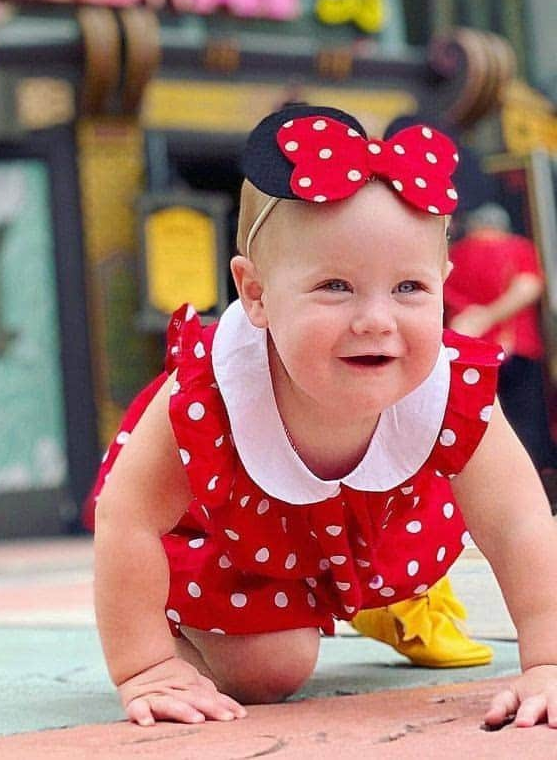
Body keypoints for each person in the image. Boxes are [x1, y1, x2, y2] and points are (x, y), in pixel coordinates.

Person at [91, 105, 557, 729]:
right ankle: (196, 633)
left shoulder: (448, 385)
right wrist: (143, 664)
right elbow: (130, 517)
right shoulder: (217, 389)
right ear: (255, 295)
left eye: (410, 288)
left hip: (368, 517)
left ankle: (369, 594)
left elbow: (520, 521)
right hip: (230, 535)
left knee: (440, 524)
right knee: (270, 670)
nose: (375, 319)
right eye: (335, 286)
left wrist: (548, 662)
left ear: (445, 284)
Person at [444, 203, 555, 475]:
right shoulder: (518, 247)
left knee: (481, 422)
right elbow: (528, 286)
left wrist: (476, 318)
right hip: (517, 348)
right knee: (525, 421)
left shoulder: (455, 254)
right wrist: (492, 315)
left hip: (471, 351)